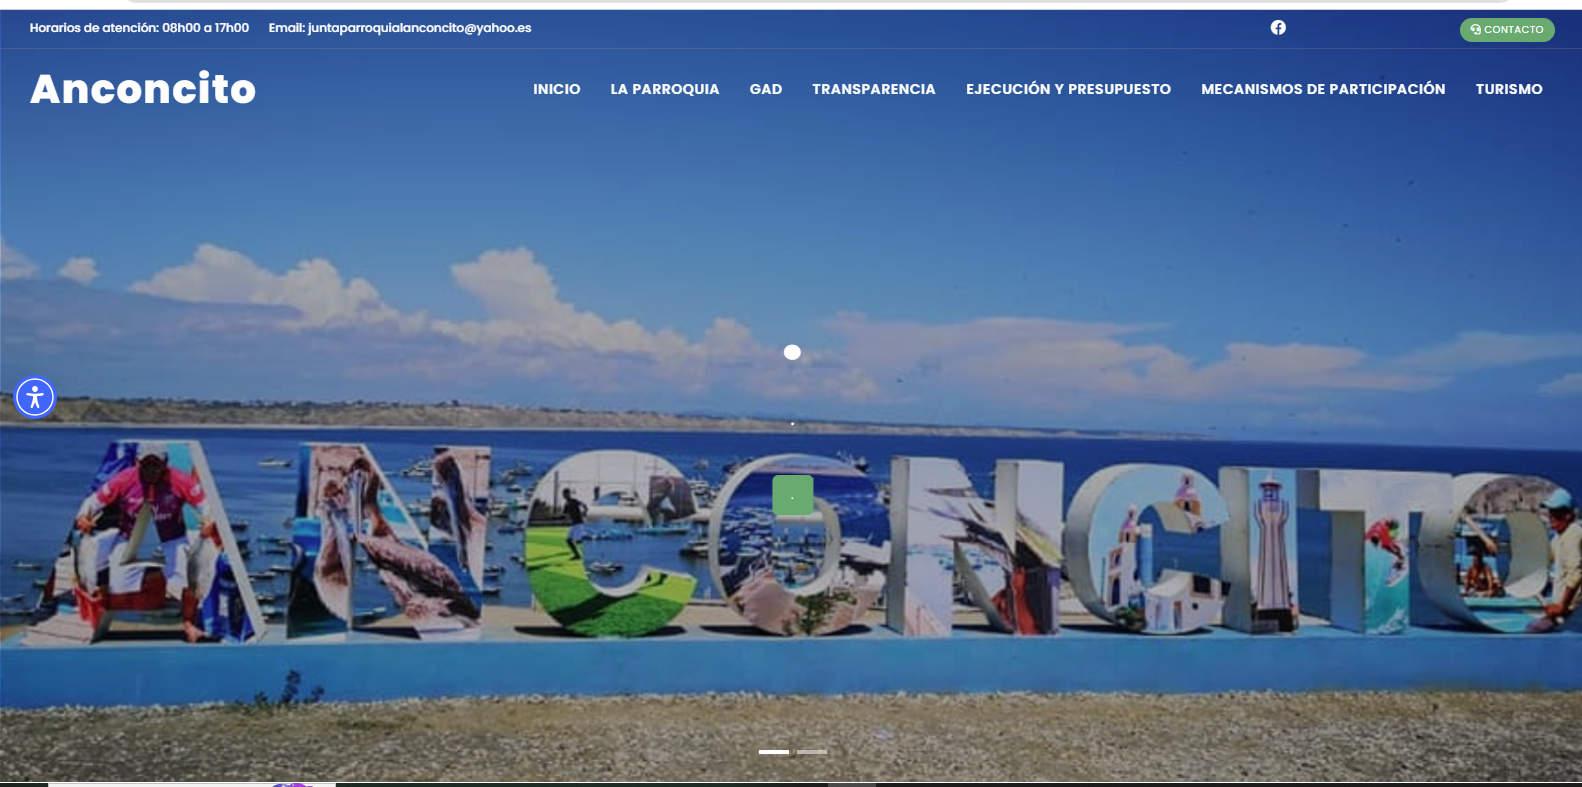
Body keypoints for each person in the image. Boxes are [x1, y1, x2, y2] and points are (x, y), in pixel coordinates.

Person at [73, 447, 221, 643]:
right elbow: (94, 501)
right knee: (118, 586)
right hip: (130, 538)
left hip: (171, 538)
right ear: (137, 463)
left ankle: (188, 623)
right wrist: (83, 517)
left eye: (156, 465)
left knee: (191, 581)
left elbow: (206, 505)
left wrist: (210, 521)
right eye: (146, 465)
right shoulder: (123, 479)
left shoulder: (181, 480)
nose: (151, 470)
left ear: (165, 464)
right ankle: (111, 621)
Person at [1532, 489, 1581, 632]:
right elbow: (1544, 562)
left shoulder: (1573, 533)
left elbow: (1576, 573)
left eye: (1556, 512)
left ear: (1568, 515)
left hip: (1571, 610)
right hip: (1563, 610)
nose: (1551, 516)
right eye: (1550, 512)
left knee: (1534, 630)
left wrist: (1562, 606)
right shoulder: (1557, 538)